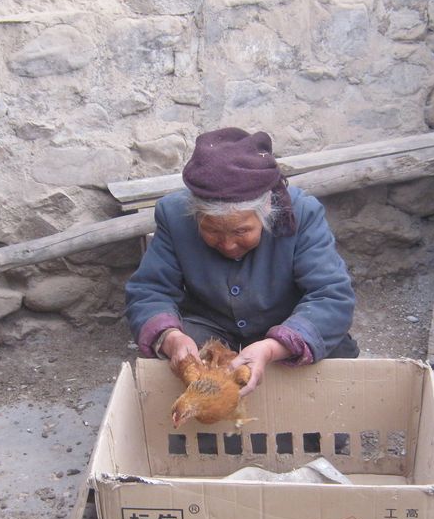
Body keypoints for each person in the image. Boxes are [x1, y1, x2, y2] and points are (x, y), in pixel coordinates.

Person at [125, 127, 358, 395]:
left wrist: (273, 348)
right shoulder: (174, 214)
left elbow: (331, 295)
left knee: (334, 358)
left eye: (241, 231)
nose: (228, 244)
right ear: (196, 215)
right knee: (176, 366)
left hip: (286, 324)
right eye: (212, 231)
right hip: (211, 329)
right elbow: (150, 290)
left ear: (267, 209)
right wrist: (171, 338)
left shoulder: (302, 213)